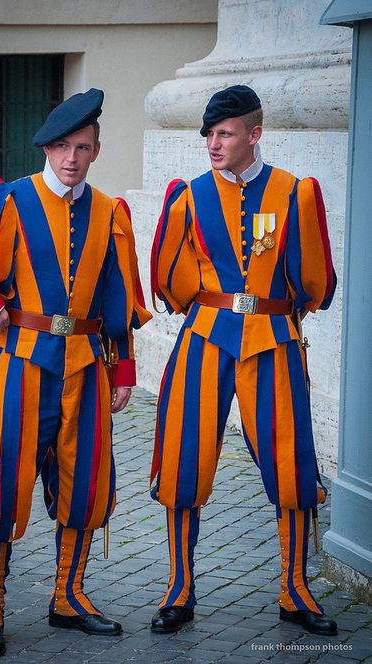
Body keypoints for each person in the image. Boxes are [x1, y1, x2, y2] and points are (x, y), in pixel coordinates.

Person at [0, 88, 151, 657]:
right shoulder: (11, 200)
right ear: (47, 147)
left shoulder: (110, 213)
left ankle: (68, 596)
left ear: (96, 150)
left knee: (87, 484)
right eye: (63, 146)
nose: (72, 158)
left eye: (84, 147)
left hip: (89, 369)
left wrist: (122, 374)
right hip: (20, 364)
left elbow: (117, 298)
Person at [149, 85, 338, 636]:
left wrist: (279, 315)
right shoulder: (188, 196)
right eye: (209, 133)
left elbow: (315, 281)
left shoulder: (295, 192)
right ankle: (179, 590)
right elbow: (170, 276)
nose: (213, 143)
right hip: (205, 340)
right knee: (185, 459)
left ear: (255, 134)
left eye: (225, 133)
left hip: (273, 341)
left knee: (291, 463)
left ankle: (294, 590)